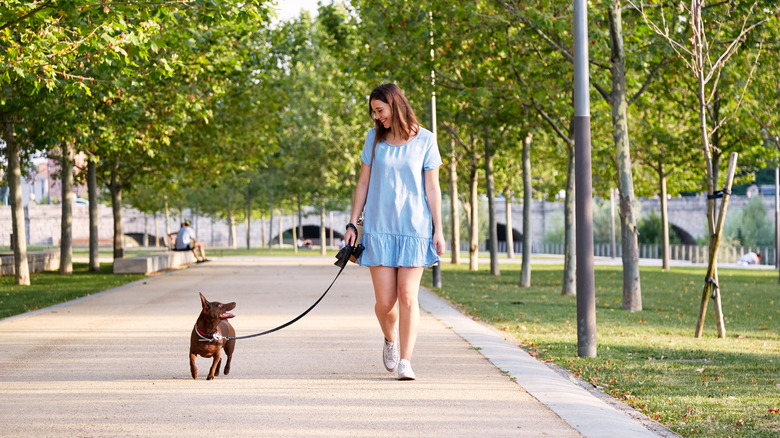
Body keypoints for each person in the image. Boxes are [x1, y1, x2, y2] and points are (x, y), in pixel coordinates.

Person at [343, 83, 445, 380]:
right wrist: (352, 223)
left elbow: (432, 188)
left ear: (395, 105)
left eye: (380, 111)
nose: (376, 117)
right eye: (373, 112)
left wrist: (438, 230)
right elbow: (363, 183)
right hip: (379, 229)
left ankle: (405, 361)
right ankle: (390, 338)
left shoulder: (426, 139)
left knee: (408, 296)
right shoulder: (373, 139)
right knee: (385, 303)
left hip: (414, 229)